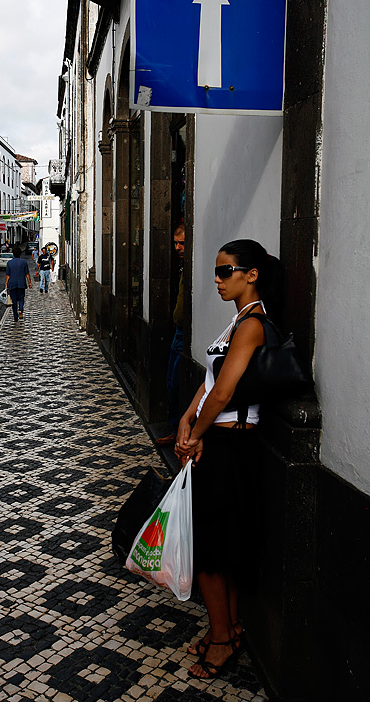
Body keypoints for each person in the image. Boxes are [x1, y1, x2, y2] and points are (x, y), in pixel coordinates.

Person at [175, 239, 283, 681]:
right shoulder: (235, 322)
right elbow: (210, 381)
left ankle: (221, 640)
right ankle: (230, 628)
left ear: (250, 274)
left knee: (211, 550)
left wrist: (195, 436)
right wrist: (186, 417)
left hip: (228, 446)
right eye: (216, 272)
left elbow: (225, 393)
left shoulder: (253, 324)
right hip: (213, 441)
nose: (217, 280)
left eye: (225, 271)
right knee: (221, 544)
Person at [156, 223, 185, 447]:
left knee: (176, 384)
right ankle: (175, 431)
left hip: (184, 334)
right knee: (169, 383)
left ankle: (179, 434)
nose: (177, 247)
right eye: (175, 243)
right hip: (178, 332)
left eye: (181, 243)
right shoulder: (184, 265)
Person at [5, 246, 32, 321]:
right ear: (20, 253)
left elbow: (8, 275)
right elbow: (27, 274)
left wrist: (6, 284)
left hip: (12, 284)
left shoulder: (9, 263)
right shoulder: (24, 262)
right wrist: (29, 282)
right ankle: (20, 310)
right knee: (21, 298)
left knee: (14, 301)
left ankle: (15, 316)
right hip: (21, 283)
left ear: (13, 254)